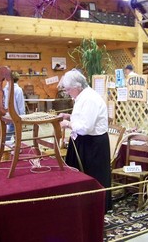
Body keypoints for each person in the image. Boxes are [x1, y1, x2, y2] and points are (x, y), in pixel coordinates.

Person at [59, 68, 112, 212]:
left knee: (93, 175)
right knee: (80, 173)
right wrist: (70, 116)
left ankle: (95, 207)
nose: (68, 93)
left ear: (77, 86)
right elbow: (83, 118)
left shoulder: (90, 99)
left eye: (69, 89)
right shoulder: (82, 96)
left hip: (93, 144)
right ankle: (82, 204)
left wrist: (68, 124)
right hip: (84, 141)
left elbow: (86, 127)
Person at [3, 71, 25, 140]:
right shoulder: (18, 90)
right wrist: (23, 115)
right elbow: (20, 104)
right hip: (16, 114)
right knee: (16, 132)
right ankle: (15, 146)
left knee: (9, 130)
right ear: (17, 79)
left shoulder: (5, 89)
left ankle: (6, 144)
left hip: (7, 113)